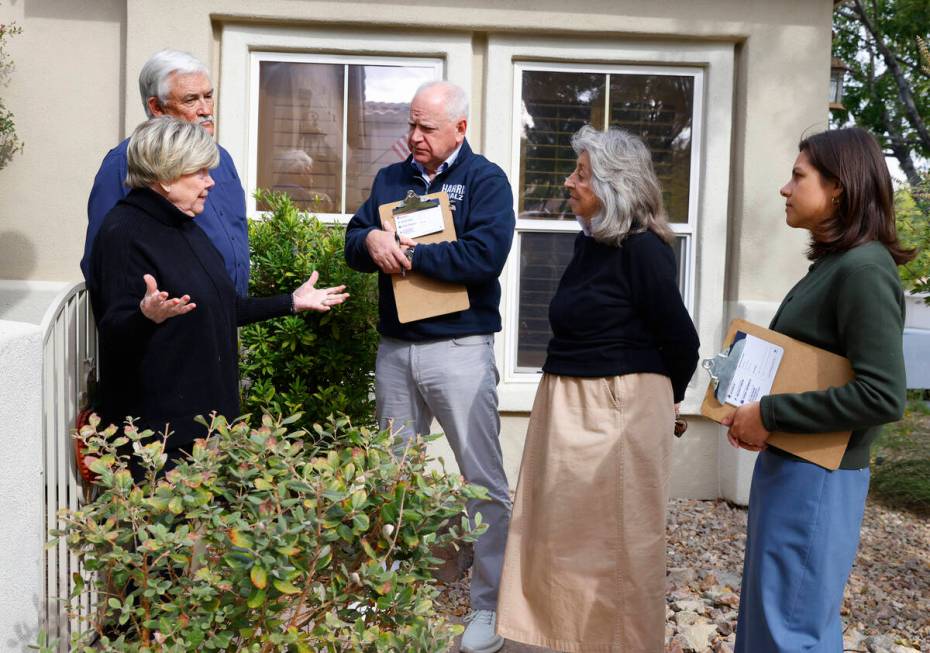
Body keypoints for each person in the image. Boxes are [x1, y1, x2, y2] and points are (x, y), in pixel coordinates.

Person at [496, 125, 700, 652]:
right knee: (560, 540)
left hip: (614, 409)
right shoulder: (593, 245)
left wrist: (656, 401)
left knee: (620, 546)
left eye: (581, 174)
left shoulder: (643, 251)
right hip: (569, 403)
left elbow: (682, 341)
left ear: (613, 185)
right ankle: (570, 638)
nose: (569, 182)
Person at [724, 127, 912, 652]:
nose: (785, 188)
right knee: (772, 621)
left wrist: (772, 412)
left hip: (820, 479)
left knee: (792, 632)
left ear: (839, 188)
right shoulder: (834, 266)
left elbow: (882, 395)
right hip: (795, 466)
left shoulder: (864, 270)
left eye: (798, 176)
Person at [344, 80, 515, 653]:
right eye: (411, 125)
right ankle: (384, 594)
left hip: (460, 348)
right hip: (396, 350)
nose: (414, 137)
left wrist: (410, 253)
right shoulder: (392, 179)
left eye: (427, 128)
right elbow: (352, 238)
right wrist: (370, 239)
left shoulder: (485, 181)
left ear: (460, 129)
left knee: (482, 481)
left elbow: (484, 257)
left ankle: (488, 607)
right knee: (389, 478)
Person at [87, 117, 348, 479]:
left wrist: (290, 301)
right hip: (163, 440)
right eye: (200, 172)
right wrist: (146, 316)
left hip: (209, 428)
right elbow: (114, 329)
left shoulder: (185, 226)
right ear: (165, 175)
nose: (210, 182)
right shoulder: (124, 232)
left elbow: (222, 308)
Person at [82, 49, 251, 296]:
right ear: (157, 108)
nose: (205, 109)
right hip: (170, 324)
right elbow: (103, 259)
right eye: (191, 99)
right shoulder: (125, 161)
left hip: (225, 319)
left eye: (208, 96)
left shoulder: (221, 157)